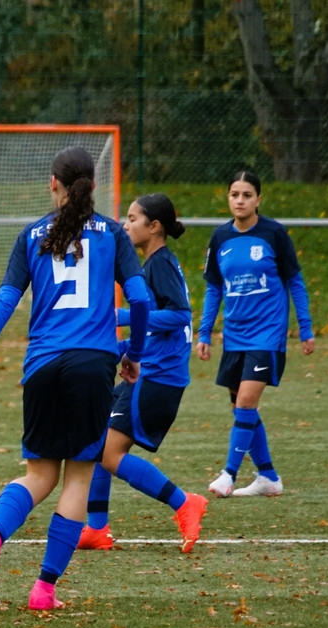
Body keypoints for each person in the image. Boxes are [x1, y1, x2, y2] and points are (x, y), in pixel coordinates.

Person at [0, 146, 150, 610]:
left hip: (41, 365)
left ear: (53, 183)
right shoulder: (114, 236)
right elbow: (141, 301)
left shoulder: (30, 235)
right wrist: (134, 353)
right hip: (92, 365)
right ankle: (44, 590)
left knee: (39, 473)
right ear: (94, 187)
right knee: (78, 477)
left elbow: (4, 301)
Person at [78, 194, 208, 553]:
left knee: (108, 453)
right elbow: (156, 329)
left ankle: (185, 503)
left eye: (133, 218)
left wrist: (122, 317)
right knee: (99, 443)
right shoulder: (153, 265)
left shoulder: (159, 264)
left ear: (155, 227)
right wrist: (115, 348)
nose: (126, 224)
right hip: (151, 371)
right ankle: (95, 528)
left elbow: (180, 315)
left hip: (157, 378)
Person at [198, 171, 315, 498]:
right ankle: (268, 477)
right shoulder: (220, 237)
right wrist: (204, 331)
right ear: (228, 198)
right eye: (235, 194)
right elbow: (214, 288)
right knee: (240, 406)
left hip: (267, 335)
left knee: (247, 400)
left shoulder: (274, 233)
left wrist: (305, 328)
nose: (240, 200)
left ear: (258, 200)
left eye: (247, 195)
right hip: (234, 336)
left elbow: (295, 282)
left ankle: (228, 474)